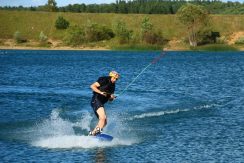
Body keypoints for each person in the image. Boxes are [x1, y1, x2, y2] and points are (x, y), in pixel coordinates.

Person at [89, 71, 120, 136]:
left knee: (105, 122)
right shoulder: (104, 79)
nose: (115, 80)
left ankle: (93, 134)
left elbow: (110, 100)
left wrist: (111, 97)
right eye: (114, 78)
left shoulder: (113, 86)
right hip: (96, 100)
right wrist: (100, 92)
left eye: (116, 79)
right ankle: (97, 132)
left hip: (101, 103)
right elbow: (92, 86)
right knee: (103, 118)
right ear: (111, 76)